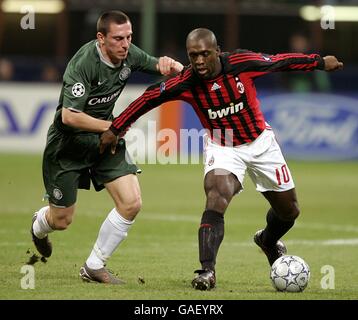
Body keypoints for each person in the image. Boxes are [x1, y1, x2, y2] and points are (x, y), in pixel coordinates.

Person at [99, 28, 343, 290]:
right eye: (194, 56)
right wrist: (115, 128)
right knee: (217, 195)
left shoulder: (241, 63)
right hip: (223, 145)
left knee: (289, 211)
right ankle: (207, 271)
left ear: (217, 51)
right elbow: (150, 96)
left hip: (261, 143)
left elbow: (279, 61)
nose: (200, 61)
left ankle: (267, 241)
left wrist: (318, 62)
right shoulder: (186, 81)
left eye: (205, 54)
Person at [30, 10, 183, 284]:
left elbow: (156, 65)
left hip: (105, 141)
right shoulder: (83, 64)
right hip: (68, 145)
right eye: (118, 39)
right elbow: (69, 116)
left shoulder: (128, 53)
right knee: (62, 220)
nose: (125, 44)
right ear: (101, 38)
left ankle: (94, 266)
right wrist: (113, 126)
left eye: (129, 37)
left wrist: (175, 67)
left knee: (132, 202)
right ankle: (40, 224)